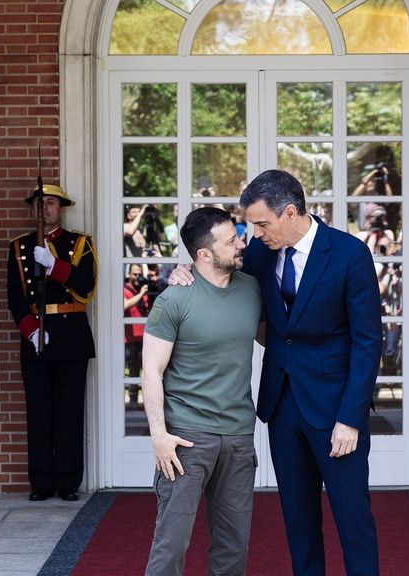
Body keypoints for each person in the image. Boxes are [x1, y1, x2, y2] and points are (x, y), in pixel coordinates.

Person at [170, 169, 382, 576]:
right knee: (299, 522)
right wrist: (186, 272)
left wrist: (350, 419)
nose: (255, 234)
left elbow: (367, 341)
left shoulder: (349, 253)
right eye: (251, 225)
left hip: (335, 410)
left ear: (289, 212)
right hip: (282, 406)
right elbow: (219, 271)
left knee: (353, 519)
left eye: (262, 223)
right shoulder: (263, 252)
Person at [142, 207, 260, 576]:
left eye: (238, 236)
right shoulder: (174, 299)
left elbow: (276, 339)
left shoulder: (252, 288)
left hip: (239, 436)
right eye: (231, 241)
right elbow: (151, 371)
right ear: (204, 254)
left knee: (233, 546)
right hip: (186, 439)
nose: (241, 245)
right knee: (171, 543)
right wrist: (159, 436)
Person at [6, 184, 97, 502]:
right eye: (38, 203)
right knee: (39, 413)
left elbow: (86, 285)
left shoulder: (80, 243)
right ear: (31, 209)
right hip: (36, 338)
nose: (44, 208)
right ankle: (42, 482)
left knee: (70, 413)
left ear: (61, 208)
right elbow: (15, 297)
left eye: (50, 202)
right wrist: (31, 331)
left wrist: (53, 265)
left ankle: (68, 481)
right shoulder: (19, 247)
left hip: (71, 336)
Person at [123, 263, 149, 408]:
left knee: (147, 371)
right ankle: (133, 402)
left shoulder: (144, 289)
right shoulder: (125, 289)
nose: (137, 277)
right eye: (134, 274)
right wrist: (140, 295)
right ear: (129, 274)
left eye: (139, 274)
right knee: (133, 370)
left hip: (146, 338)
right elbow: (124, 305)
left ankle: (147, 402)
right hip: (131, 339)